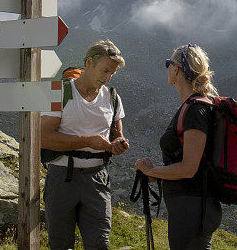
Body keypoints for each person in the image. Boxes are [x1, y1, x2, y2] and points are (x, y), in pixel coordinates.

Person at [41, 40, 130, 250]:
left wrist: (117, 144)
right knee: (60, 244)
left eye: (112, 74)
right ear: (89, 63)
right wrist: (89, 142)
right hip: (61, 176)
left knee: (100, 244)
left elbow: (117, 134)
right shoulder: (60, 92)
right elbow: (44, 137)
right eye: (104, 70)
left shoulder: (112, 98)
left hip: (97, 178)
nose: (107, 77)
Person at [134, 43, 222, 250]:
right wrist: (152, 175)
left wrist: (153, 171)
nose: (167, 68)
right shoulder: (198, 107)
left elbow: (189, 168)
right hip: (195, 206)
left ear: (176, 69)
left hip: (191, 207)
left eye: (168, 63)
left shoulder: (195, 111)